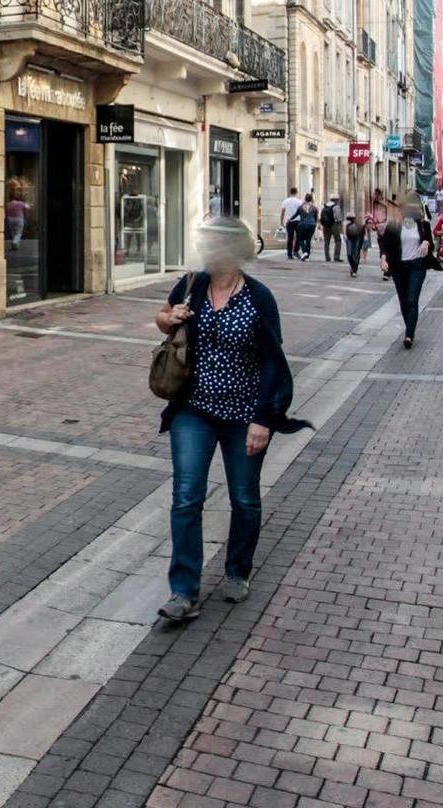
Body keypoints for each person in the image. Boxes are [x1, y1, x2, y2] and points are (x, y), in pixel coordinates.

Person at [153, 217, 310, 625]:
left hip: (244, 413)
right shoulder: (192, 285)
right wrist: (169, 320)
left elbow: (275, 364)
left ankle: (238, 570)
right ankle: (183, 590)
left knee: (244, 496)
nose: (206, 250)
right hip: (193, 408)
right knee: (187, 495)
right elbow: (163, 316)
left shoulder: (258, 298)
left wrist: (264, 419)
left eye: (215, 244)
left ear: (236, 251)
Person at [379, 191, 433, 348]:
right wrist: (383, 258)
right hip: (399, 266)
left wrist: (427, 243)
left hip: (417, 266)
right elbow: (386, 243)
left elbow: (430, 241)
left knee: (412, 299)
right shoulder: (396, 223)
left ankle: (409, 334)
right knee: (403, 300)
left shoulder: (423, 224)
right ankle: (410, 326)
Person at [280, 185, 304, 260]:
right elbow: (302, 212)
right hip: (298, 221)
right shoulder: (299, 202)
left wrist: (281, 221)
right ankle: (296, 251)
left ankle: (289, 254)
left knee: (290, 238)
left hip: (289, 221)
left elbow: (283, 212)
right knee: (299, 237)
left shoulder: (285, 201)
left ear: (290, 193)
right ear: (296, 193)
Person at [343, 206, 367, 277]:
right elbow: (344, 230)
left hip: (358, 238)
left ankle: (354, 270)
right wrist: (345, 235)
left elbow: (363, 230)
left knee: (356, 254)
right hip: (349, 238)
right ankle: (353, 266)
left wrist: (364, 237)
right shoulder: (345, 223)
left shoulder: (359, 222)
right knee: (349, 254)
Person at [319, 196, 344, 263]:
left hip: (325, 226)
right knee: (338, 240)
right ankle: (336, 257)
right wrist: (340, 227)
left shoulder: (325, 206)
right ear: (336, 200)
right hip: (334, 224)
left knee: (326, 242)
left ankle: (327, 257)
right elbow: (338, 218)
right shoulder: (336, 206)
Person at [296, 193, 318, 261]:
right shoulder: (314, 208)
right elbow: (316, 218)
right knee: (308, 240)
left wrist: (290, 219)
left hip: (302, 224)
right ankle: (307, 256)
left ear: (305, 199)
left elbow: (295, 215)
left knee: (300, 239)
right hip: (312, 225)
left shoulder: (300, 207)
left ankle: (305, 252)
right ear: (311, 199)